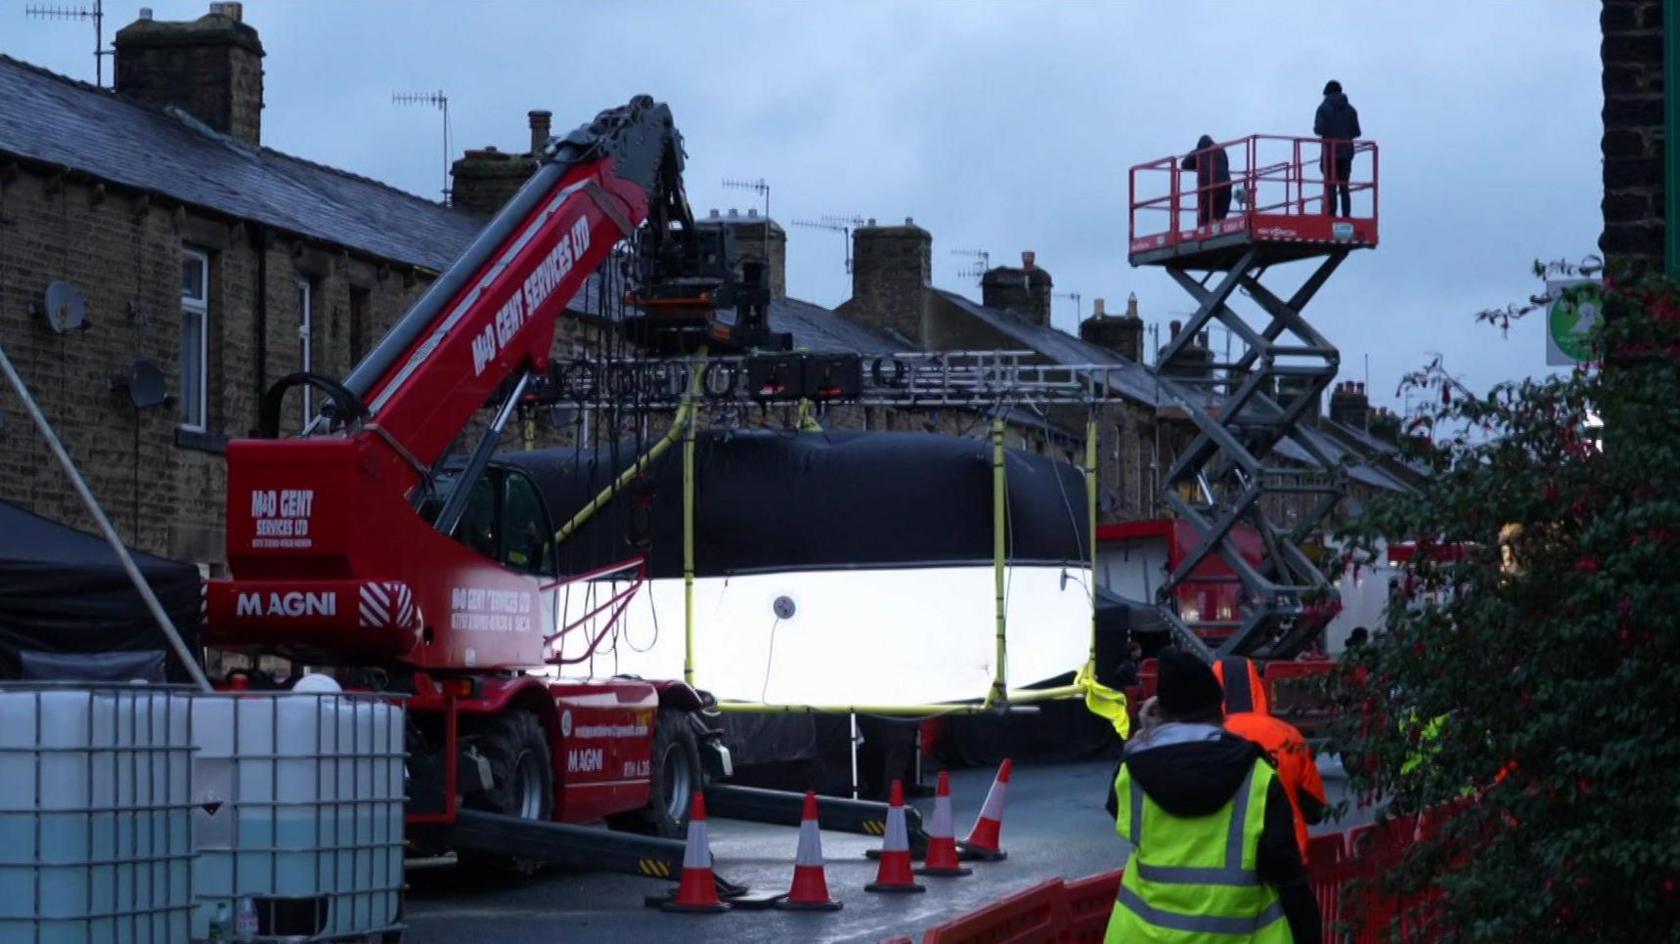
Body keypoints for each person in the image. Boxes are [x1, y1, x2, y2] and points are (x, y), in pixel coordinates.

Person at [1104, 650, 1320, 943]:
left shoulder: (1132, 772)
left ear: (1159, 712)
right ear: (1221, 711)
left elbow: (1118, 811)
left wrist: (1143, 733)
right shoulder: (1257, 775)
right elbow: (1287, 876)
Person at [1218, 656, 1329, 862]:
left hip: (1226, 861)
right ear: (1258, 687)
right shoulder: (1288, 734)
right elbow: (1314, 810)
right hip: (1286, 858)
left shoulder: (1209, 736)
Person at [1313, 80, 1361, 217]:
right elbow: (1357, 132)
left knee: (1331, 185)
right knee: (1344, 185)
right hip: (1347, 153)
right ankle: (1346, 215)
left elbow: (1318, 129)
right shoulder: (1351, 109)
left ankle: (1331, 215)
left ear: (1326, 93)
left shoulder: (1323, 108)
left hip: (1330, 153)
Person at [1180, 134, 1232, 226]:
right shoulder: (1221, 150)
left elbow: (1184, 165)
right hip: (1226, 184)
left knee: (1205, 216)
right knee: (1220, 214)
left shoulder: (1199, 152)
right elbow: (1226, 164)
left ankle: (1204, 230)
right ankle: (1219, 226)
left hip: (1208, 186)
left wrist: (1197, 165)